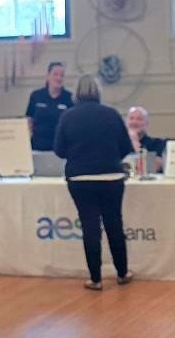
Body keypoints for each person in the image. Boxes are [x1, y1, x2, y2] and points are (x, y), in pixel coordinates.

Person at [54, 75, 134, 291]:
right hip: (111, 177)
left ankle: (95, 278)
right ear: (99, 92)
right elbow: (126, 147)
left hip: (80, 178)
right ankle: (122, 272)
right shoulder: (111, 114)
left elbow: (59, 151)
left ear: (76, 93)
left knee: (90, 227)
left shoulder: (67, 116)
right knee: (114, 224)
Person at [25, 62, 74, 151]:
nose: (59, 78)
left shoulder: (69, 98)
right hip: (37, 146)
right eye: (55, 74)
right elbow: (29, 120)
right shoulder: (36, 96)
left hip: (60, 148)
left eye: (62, 75)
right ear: (48, 76)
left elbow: (72, 124)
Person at [125, 106, 167, 173]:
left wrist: (135, 141)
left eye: (139, 119)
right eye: (131, 118)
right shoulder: (119, 144)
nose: (134, 122)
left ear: (146, 123)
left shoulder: (157, 143)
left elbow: (153, 168)